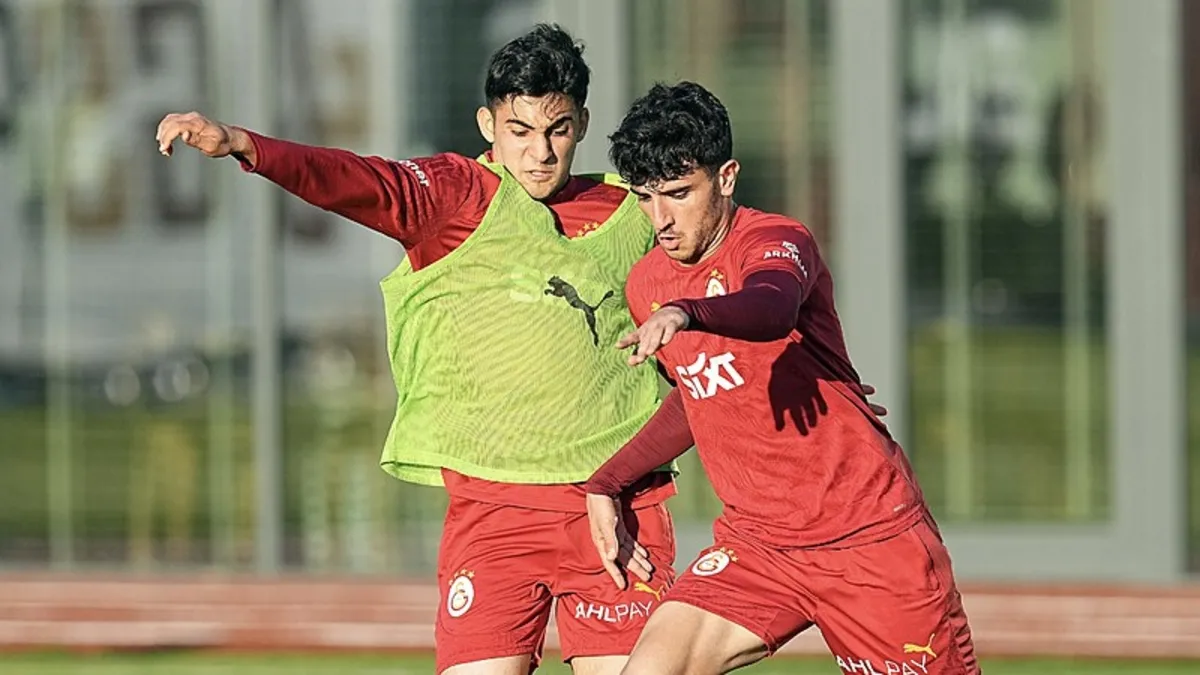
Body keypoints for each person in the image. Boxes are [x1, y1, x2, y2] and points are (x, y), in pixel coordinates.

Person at [156, 25, 674, 675]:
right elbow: (355, 179)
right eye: (520, 130)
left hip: (617, 514)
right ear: (487, 123)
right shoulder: (454, 196)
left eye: (558, 129)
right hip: (493, 513)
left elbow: (723, 287)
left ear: (582, 123)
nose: (540, 152)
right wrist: (244, 145)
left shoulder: (638, 214)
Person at [584, 81, 979, 675]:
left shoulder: (775, 240)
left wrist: (689, 311)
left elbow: (772, 308)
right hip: (758, 546)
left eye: (678, 194)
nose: (661, 219)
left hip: (867, 537)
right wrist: (607, 480)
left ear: (727, 177)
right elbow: (701, 395)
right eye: (645, 198)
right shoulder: (648, 284)